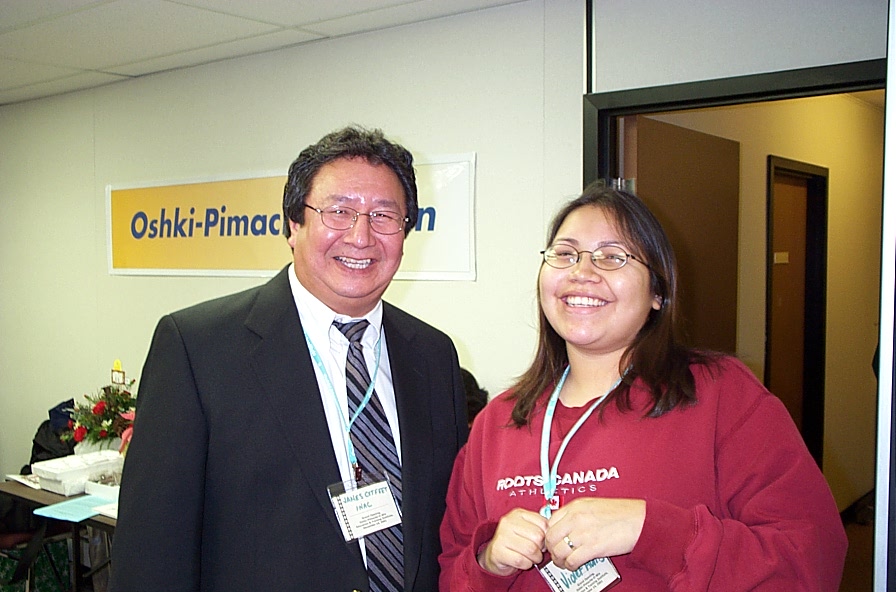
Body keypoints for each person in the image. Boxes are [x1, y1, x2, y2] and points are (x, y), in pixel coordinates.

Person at [110, 126, 469, 592]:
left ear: (405, 233)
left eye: (384, 216)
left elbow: (449, 527)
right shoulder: (197, 349)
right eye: (339, 211)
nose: (361, 236)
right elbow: (150, 554)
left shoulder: (433, 355)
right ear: (293, 225)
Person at [439, 184, 847, 591]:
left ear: (658, 292)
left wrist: (650, 530)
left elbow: (810, 559)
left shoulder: (721, 396)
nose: (581, 272)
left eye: (612, 257)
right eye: (565, 254)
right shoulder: (498, 423)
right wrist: (487, 563)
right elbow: (451, 569)